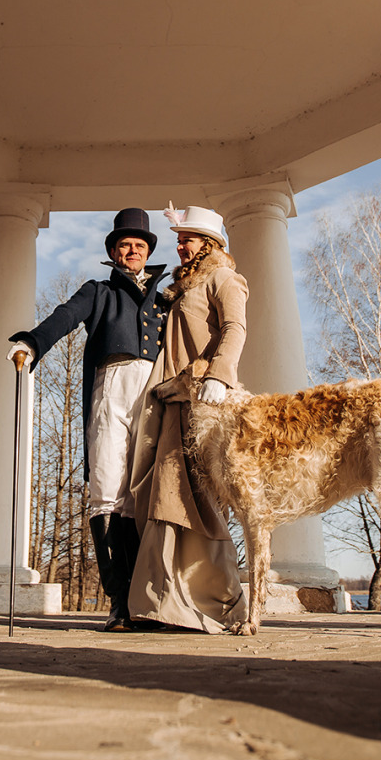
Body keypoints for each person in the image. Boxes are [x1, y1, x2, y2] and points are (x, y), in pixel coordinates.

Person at [7, 208, 168, 632]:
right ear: (114, 253)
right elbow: (64, 316)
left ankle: (146, 600)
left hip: (155, 393)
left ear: (147, 252)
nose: (131, 251)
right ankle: (120, 601)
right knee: (108, 486)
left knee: (146, 495)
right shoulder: (99, 291)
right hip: (111, 386)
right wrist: (32, 341)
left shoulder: (166, 298)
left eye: (139, 245)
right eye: (124, 246)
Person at [126, 204, 247, 633]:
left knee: (199, 498)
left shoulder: (224, 278)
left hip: (204, 402)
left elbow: (235, 328)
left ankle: (215, 600)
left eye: (187, 239)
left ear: (209, 243)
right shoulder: (183, 286)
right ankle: (164, 602)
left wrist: (219, 376)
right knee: (166, 495)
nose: (180, 246)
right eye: (179, 240)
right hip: (171, 400)